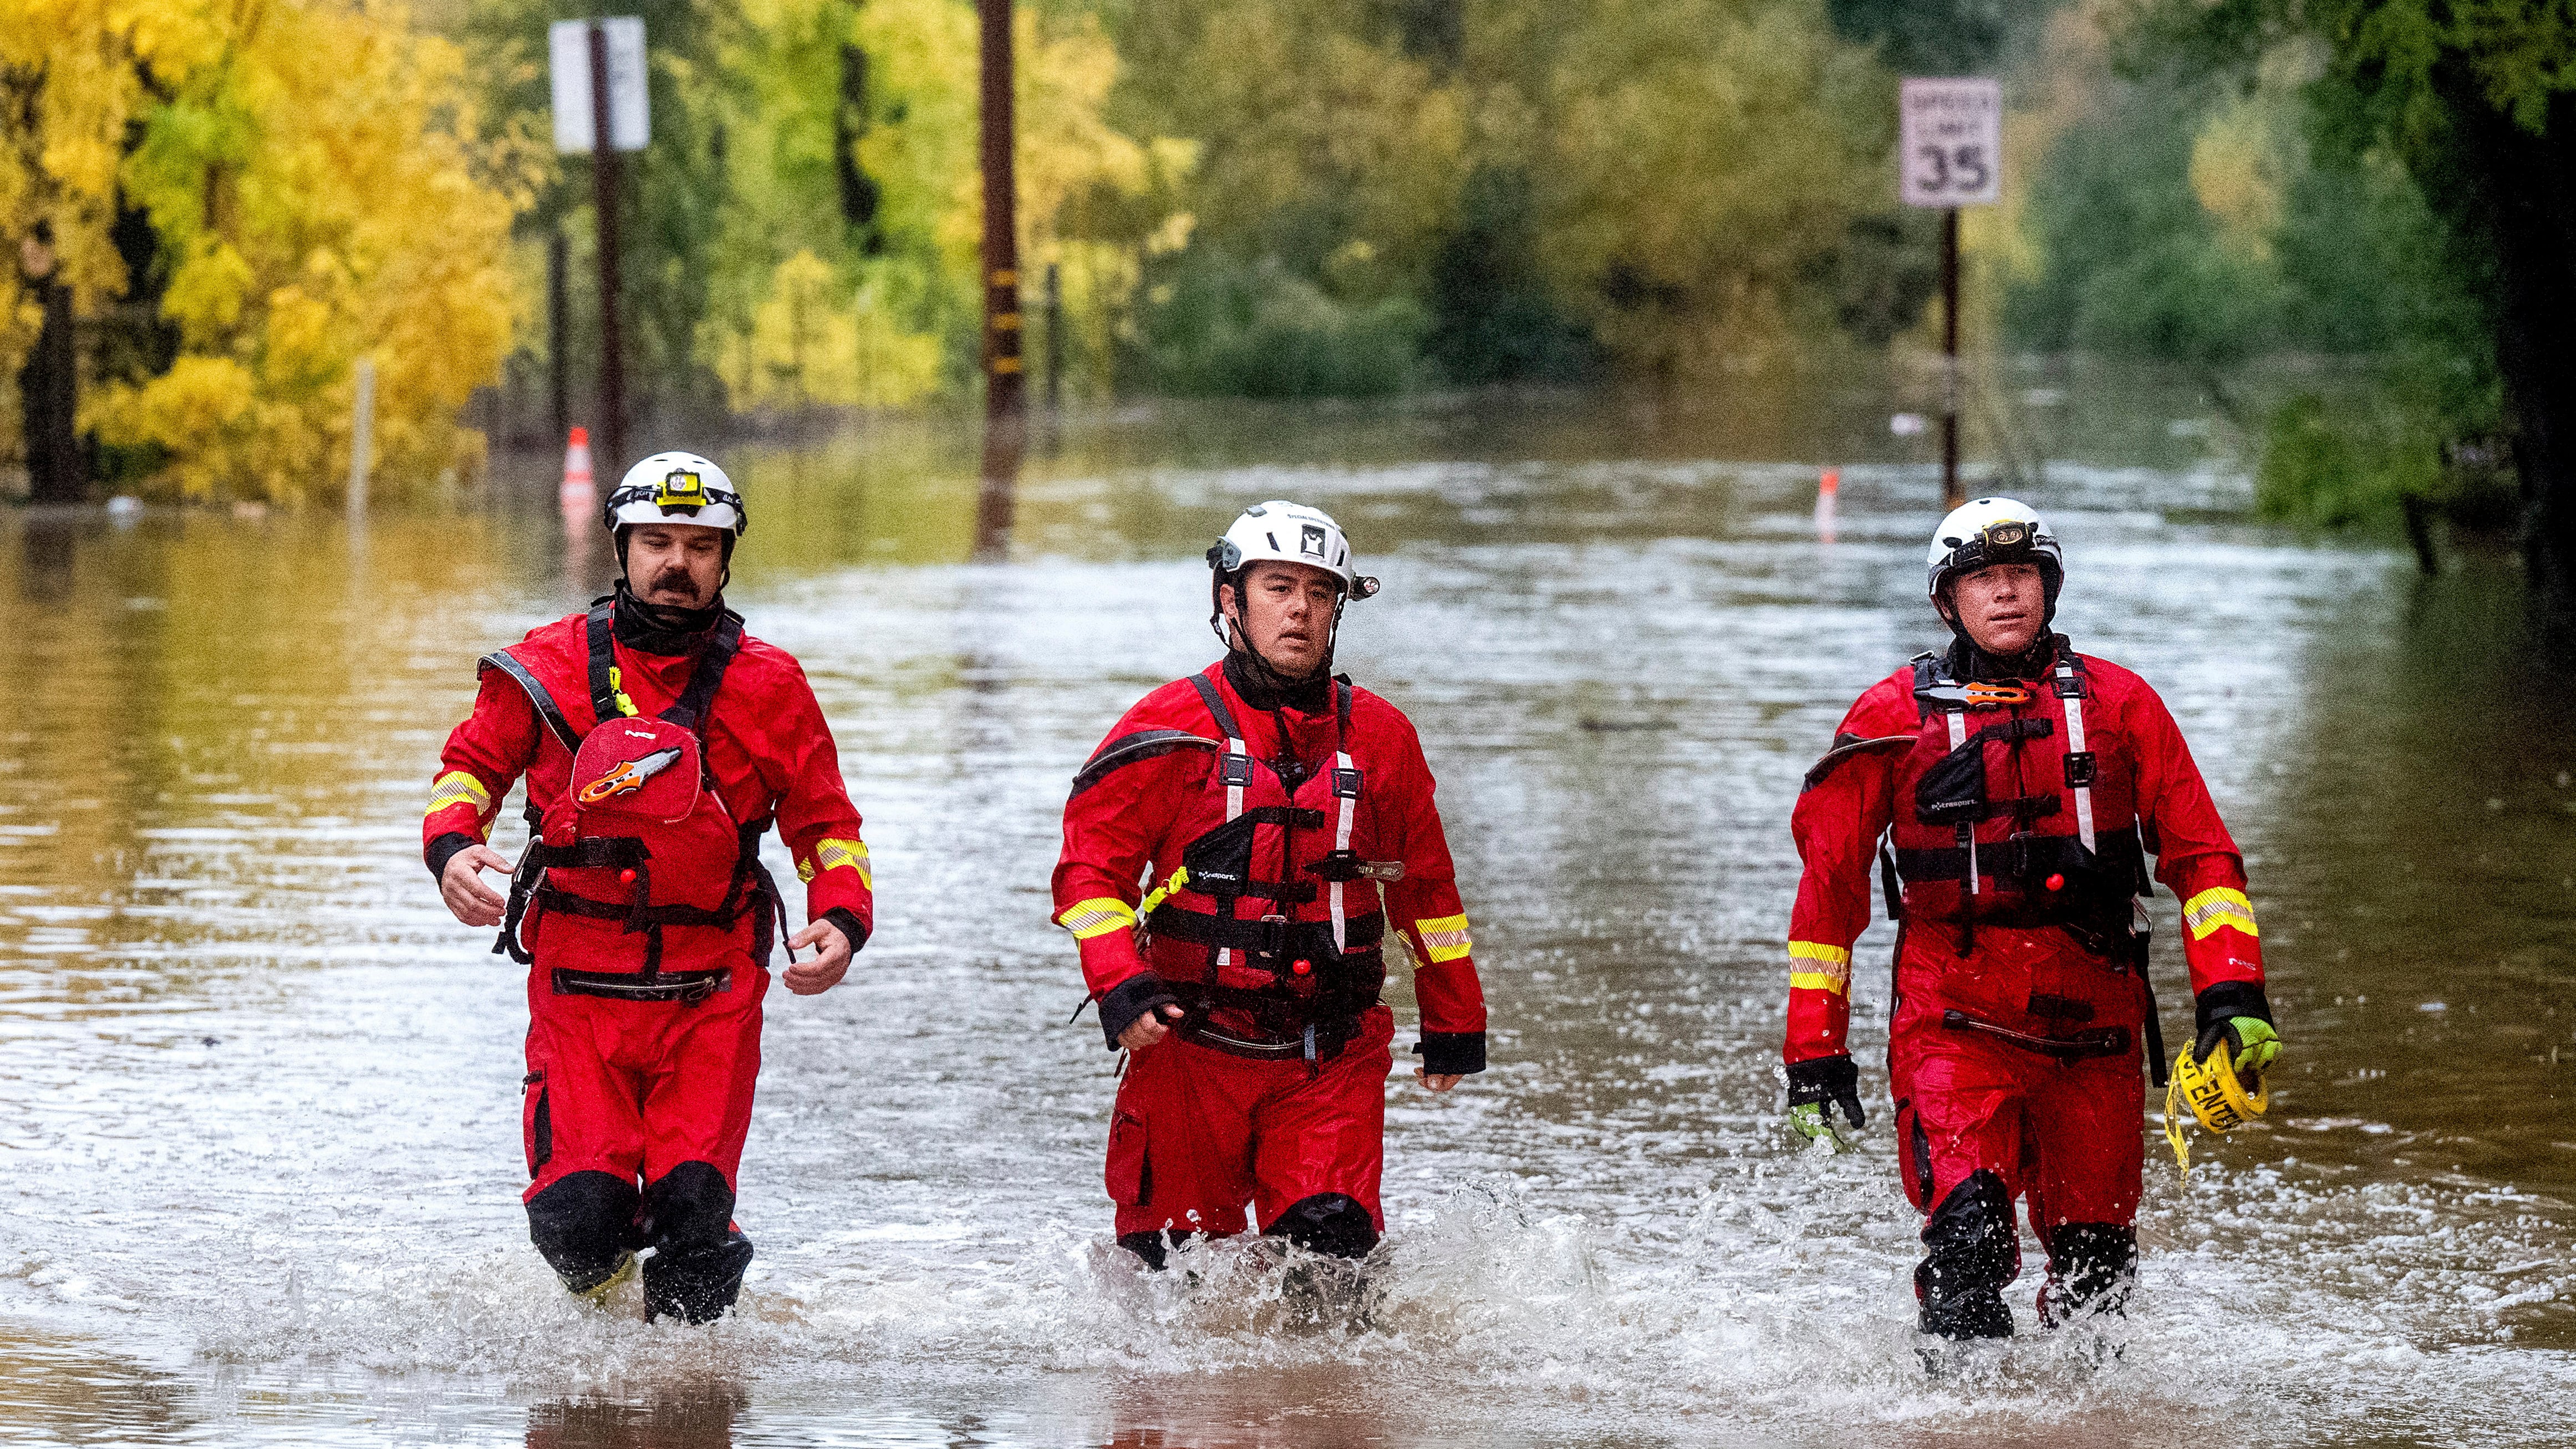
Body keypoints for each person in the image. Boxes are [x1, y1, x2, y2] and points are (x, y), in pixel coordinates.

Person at [1781, 497, 2281, 1342]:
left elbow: (2202, 859)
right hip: (1953, 1025)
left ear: (2048, 586)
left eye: (2020, 575)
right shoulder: (1890, 720)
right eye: (1982, 578)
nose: (2005, 593)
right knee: (1967, 1250)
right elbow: (1829, 887)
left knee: (2097, 1278)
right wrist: (1814, 1048)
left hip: (2096, 1032)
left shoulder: (2123, 707)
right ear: (1947, 601)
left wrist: (2231, 995)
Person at [425, 452, 872, 1323]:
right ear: (621, 548)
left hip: (713, 987)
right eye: (657, 541)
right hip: (577, 984)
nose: (678, 562)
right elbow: (468, 769)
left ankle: (691, 1394)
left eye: (700, 545)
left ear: (726, 557)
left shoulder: (772, 685)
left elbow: (825, 824)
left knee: (696, 1214)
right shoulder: (541, 667)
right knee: (575, 1217)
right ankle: (608, 1335)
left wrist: (841, 920)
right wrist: (450, 848)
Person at [1053, 501, 1488, 1268]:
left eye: (1320, 593)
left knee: (1333, 1262)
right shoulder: (1167, 726)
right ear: (1231, 598)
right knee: (1168, 1280)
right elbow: (1092, 873)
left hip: (1329, 1051)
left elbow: (1424, 888)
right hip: (1189, 1049)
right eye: (1279, 587)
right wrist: (1120, 983)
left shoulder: (1382, 737)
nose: (1300, 609)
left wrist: (1455, 1013)